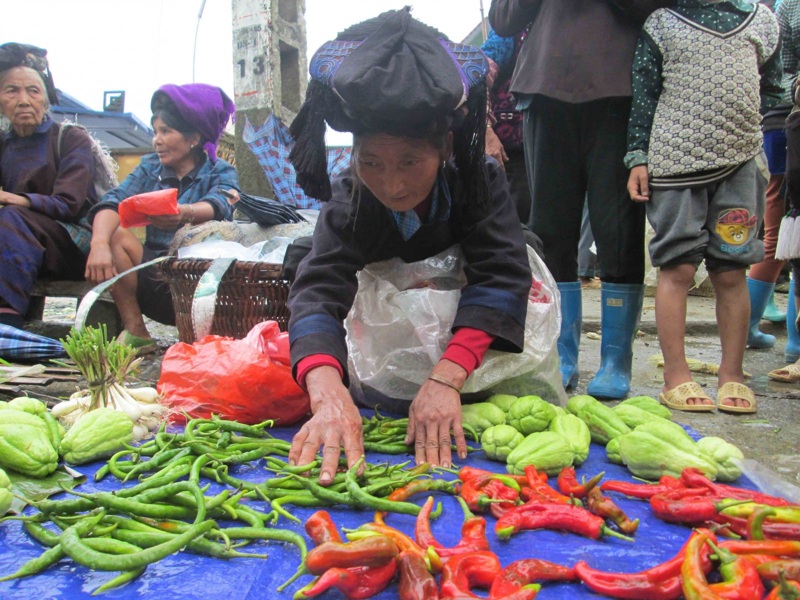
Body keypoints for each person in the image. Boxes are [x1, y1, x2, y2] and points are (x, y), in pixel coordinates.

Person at [285, 8, 533, 483]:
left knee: (524, 249)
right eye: (371, 162)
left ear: (444, 149)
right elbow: (319, 288)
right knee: (301, 260)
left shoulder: (479, 180)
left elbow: (501, 274)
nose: (392, 185)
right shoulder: (351, 199)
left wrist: (445, 379)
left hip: (462, 333)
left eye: (410, 161)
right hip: (393, 335)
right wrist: (327, 391)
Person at [489, 0, 669, 399]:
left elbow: (657, 10)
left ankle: (615, 361)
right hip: (545, 91)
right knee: (550, 228)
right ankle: (561, 355)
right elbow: (502, 20)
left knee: (617, 226)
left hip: (617, 91)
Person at [626, 0, 781, 413]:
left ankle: (733, 374)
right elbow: (643, 96)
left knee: (732, 270)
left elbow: (773, 87)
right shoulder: (661, 23)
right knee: (676, 268)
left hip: (740, 161)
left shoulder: (762, 22)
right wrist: (637, 157)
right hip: (676, 165)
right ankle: (675, 375)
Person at [85, 83, 238, 353]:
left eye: (166, 131)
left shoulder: (220, 171)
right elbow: (112, 201)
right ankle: (136, 332)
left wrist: (184, 213)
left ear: (194, 136)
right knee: (114, 235)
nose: (156, 139)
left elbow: (220, 204)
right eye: (156, 131)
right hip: (156, 278)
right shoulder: (149, 168)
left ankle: (200, 341)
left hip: (200, 283)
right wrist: (98, 245)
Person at [0, 43, 98, 329]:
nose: (23, 100)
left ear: (45, 99)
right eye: (11, 91)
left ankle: (7, 322)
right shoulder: (3, 145)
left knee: (10, 219)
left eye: (33, 91)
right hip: (15, 242)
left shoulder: (69, 138)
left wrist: (15, 200)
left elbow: (68, 203)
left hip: (70, 245)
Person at [747, 0, 792, 351]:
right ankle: (793, 342)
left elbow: (779, 69)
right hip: (788, 119)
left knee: (778, 230)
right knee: (783, 232)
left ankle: (749, 326)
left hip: (778, 121)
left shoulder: (784, 5)